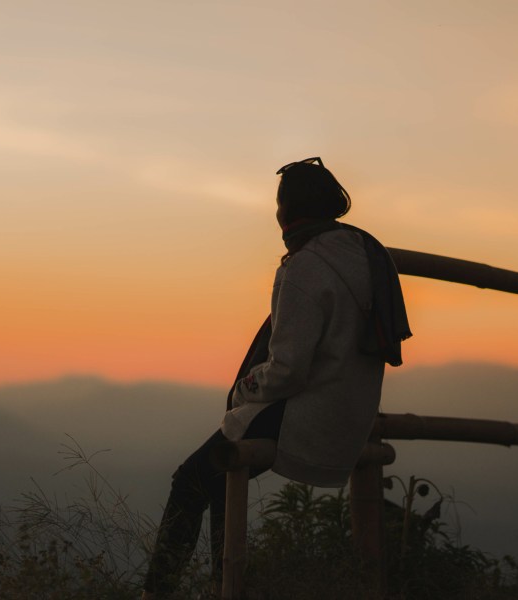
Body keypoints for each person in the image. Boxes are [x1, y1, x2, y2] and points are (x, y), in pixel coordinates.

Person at [140, 157, 411, 598]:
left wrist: (243, 388)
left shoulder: (303, 268)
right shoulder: (363, 250)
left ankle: (157, 592)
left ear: (285, 213)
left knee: (188, 481)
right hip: (352, 408)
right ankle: (222, 586)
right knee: (220, 482)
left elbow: (287, 370)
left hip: (308, 413)